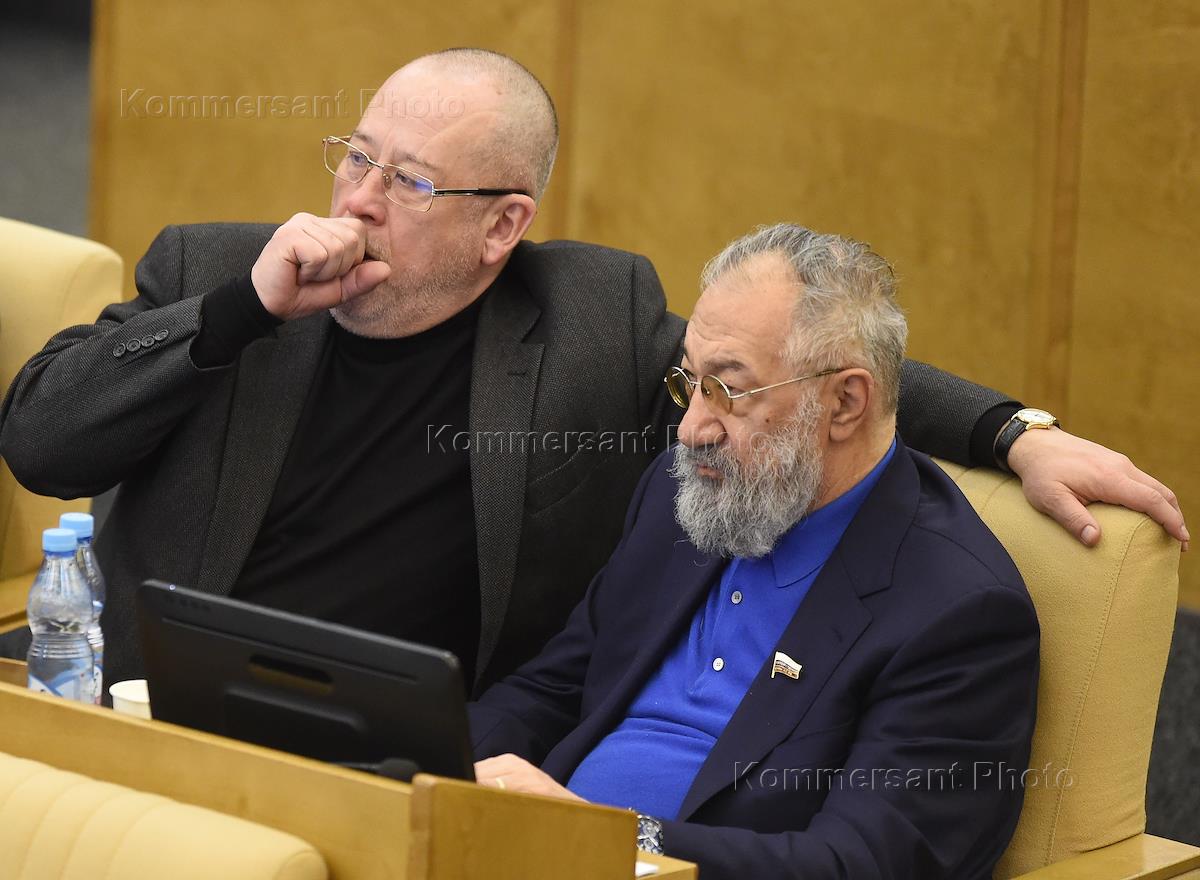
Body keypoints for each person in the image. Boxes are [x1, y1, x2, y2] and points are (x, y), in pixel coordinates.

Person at [0, 49, 1184, 694]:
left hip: (413, 753)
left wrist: (1014, 431)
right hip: (160, 716)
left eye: (408, 182)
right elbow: (40, 439)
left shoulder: (584, 320)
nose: (357, 200)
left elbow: (796, 371)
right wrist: (235, 315)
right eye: (355, 157)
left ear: (502, 226)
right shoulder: (219, 273)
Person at [470, 224, 1039, 879]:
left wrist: (614, 841)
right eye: (689, 383)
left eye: (728, 392)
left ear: (845, 403)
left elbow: (861, 865)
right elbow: (552, 690)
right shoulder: (684, 496)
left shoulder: (958, 613)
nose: (691, 429)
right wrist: (425, 762)